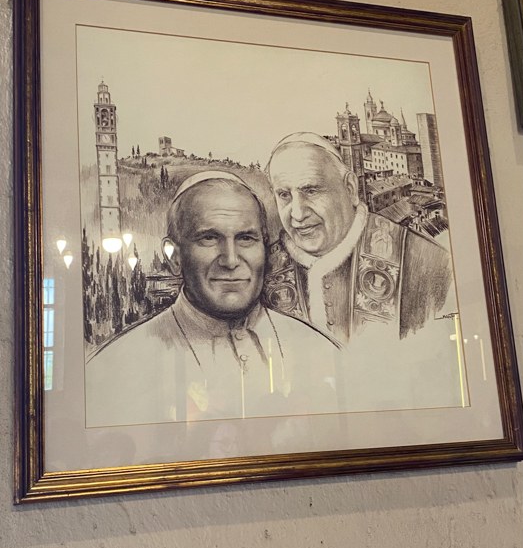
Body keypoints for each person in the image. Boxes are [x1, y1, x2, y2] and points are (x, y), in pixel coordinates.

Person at [86, 171, 340, 428]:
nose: (230, 260)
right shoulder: (118, 364)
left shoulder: (318, 348)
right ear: (174, 256)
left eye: (246, 239)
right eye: (209, 238)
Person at [264, 132, 453, 344]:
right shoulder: (261, 273)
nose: (298, 214)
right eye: (284, 195)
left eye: (311, 190)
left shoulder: (428, 262)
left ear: (350, 189)